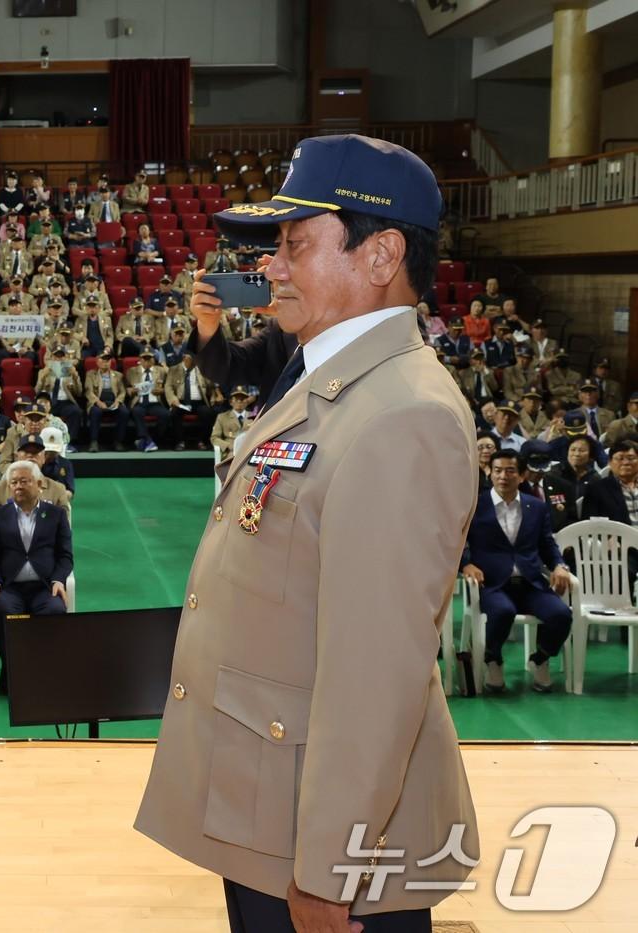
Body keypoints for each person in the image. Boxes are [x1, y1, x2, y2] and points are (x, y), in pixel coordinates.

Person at [137, 135, 479, 931]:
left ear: (381, 254)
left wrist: (332, 866)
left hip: (322, 849)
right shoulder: (331, 380)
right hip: (272, 806)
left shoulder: (405, 415)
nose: (271, 267)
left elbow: (375, 675)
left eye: (294, 244)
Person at [461, 449, 573, 693]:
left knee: (561, 614)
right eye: (498, 470)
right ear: (489, 473)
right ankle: (493, 658)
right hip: (491, 583)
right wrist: (466, 564)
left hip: (530, 582)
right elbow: (459, 541)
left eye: (510, 471)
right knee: (502, 612)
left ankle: (540, 659)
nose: (503, 476)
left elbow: (547, 544)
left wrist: (559, 566)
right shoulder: (475, 505)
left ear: (522, 475)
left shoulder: (536, 506)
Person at [0, 460, 73, 695]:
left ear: (39, 484)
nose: (18, 486)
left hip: (44, 587)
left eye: (24, 481)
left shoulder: (55, 514)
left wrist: (58, 580)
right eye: (14, 482)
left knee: (54, 610)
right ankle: (10, 666)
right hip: (11, 587)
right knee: (2, 609)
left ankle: (41, 666)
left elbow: (65, 556)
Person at [84, 351, 130, 451]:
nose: (106, 362)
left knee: (124, 412)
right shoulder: (91, 374)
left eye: (108, 360)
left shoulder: (118, 375)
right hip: (98, 401)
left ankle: (118, 441)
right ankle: (94, 442)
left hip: (113, 401)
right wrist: (98, 402)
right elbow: (89, 391)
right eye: (103, 359)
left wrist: (118, 401)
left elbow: (122, 391)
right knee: (96, 412)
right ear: (97, 362)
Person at [210, 386, 255, 462]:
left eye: (242, 399)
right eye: (236, 399)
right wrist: (228, 446)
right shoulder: (222, 417)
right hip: (230, 451)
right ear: (231, 402)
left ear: (247, 402)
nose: (239, 401)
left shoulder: (254, 417)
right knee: (232, 459)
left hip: (249, 450)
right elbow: (214, 438)